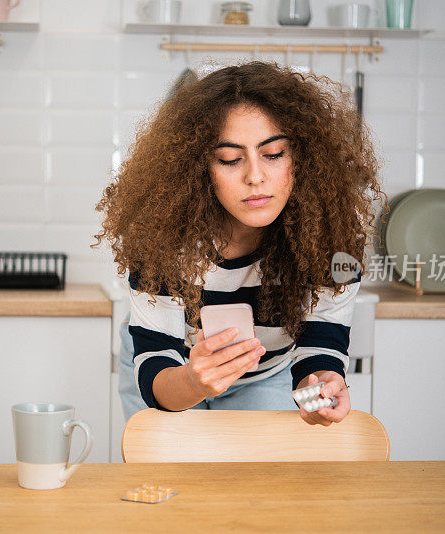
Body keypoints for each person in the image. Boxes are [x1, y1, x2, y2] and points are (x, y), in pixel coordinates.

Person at [94, 61, 383, 426]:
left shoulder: (332, 235)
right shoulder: (161, 236)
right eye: (230, 159)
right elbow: (157, 367)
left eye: (274, 153)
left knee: (256, 480)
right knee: (171, 477)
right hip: (173, 368)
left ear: (303, 157)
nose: (256, 177)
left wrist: (319, 388)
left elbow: (320, 339)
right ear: (199, 168)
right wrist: (193, 380)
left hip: (268, 373)